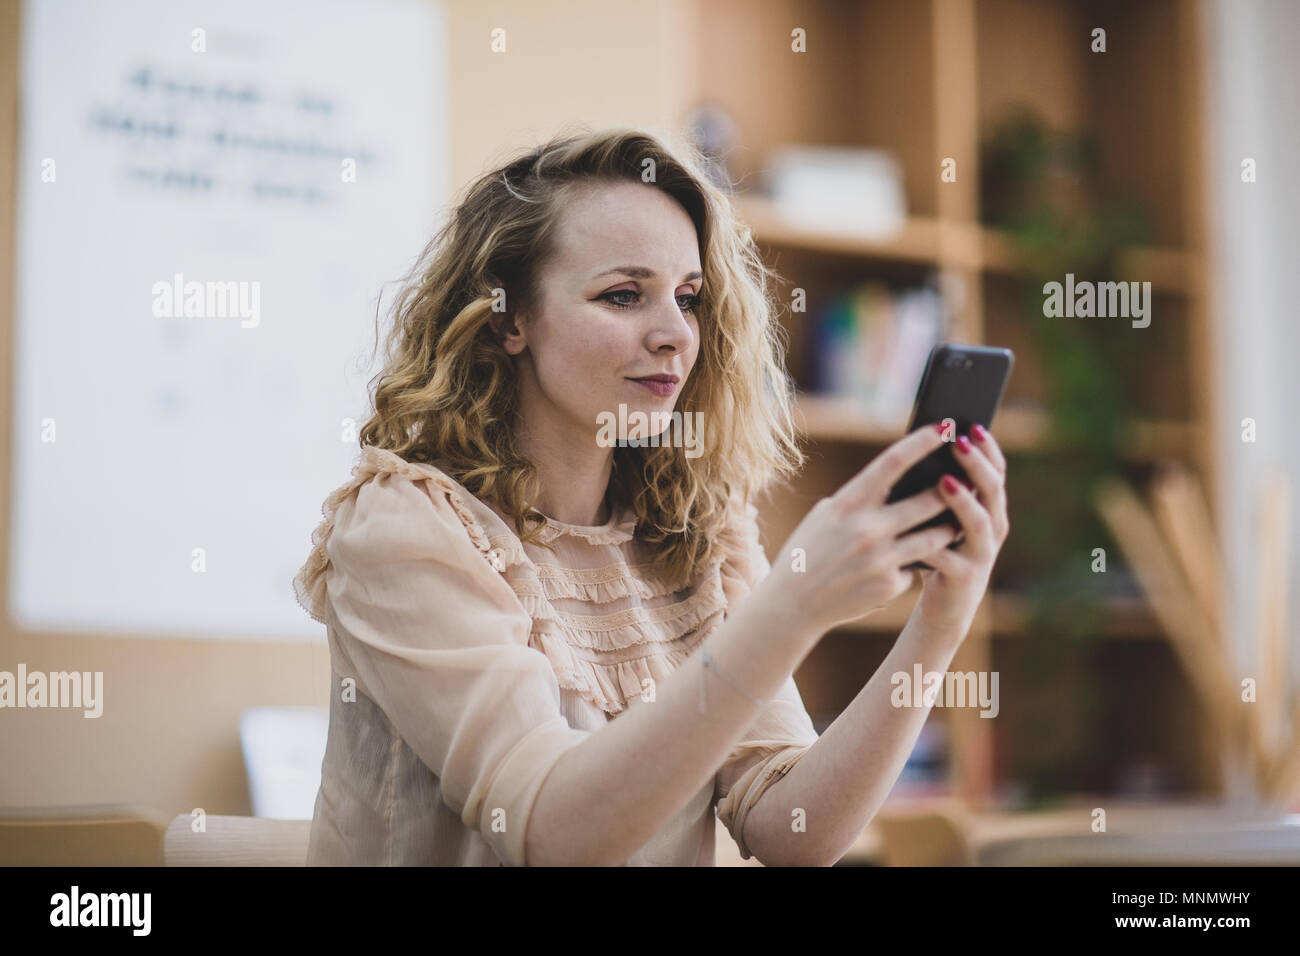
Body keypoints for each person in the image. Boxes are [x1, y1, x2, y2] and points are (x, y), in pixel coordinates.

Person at [292, 126, 1009, 866]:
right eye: (623, 295)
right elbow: (550, 834)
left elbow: (794, 830)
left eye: (689, 298)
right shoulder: (404, 524)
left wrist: (941, 617)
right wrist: (789, 612)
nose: (675, 333)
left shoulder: (698, 534)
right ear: (509, 319)